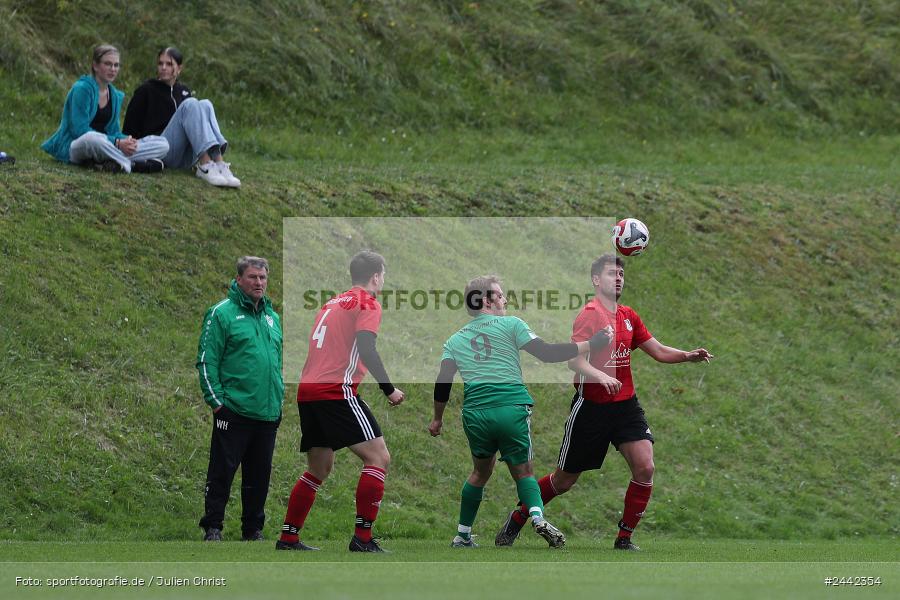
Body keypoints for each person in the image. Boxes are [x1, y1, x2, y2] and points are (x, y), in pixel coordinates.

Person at [495, 254, 713, 551]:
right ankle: (520, 515)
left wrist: (687, 355)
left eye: (621, 274)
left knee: (645, 467)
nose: (619, 278)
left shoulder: (628, 315)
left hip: (625, 407)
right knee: (563, 481)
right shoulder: (589, 314)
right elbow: (575, 361)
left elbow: (658, 350)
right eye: (612, 274)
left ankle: (624, 539)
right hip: (591, 408)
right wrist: (600, 376)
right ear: (597, 280)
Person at [428, 276, 614, 549]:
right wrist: (592, 344)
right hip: (511, 408)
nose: (505, 300)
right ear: (487, 300)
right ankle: (537, 518)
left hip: (475, 413)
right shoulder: (511, 324)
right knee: (524, 473)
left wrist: (437, 418)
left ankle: (462, 535)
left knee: (480, 472)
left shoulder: (454, 340)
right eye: (501, 295)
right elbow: (547, 353)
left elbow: (443, 381)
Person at [276, 251, 406, 553]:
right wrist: (389, 389)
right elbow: (366, 346)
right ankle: (362, 539)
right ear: (375, 277)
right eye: (383, 276)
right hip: (335, 390)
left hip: (308, 392)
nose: (383, 281)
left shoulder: (331, 303)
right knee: (378, 458)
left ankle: (289, 537)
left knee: (319, 468)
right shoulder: (367, 303)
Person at [196, 256, 284, 542]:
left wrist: (278, 399)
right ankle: (213, 527)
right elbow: (207, 361)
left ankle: (253, 529)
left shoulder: (273, 317)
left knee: (259, 477)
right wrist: (217, 403)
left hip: (267, 411)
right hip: (232, 410)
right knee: (222, 471)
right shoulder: (221, 313)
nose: (259, 283)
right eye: (253, 277)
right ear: (239, 279)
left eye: (263, 278)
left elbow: (276, 362)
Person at [123, 46, 240, 188]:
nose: (163, 67)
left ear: (179, 68)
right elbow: (129, 129)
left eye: (169, 64)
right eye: (160, 63)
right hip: (161, 151)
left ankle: (219, 163)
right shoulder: (146, 90)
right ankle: (205, 166)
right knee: (190, 104)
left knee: (205, 104)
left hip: (186, 156)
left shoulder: (183, 91)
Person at [41, 44, 168, 173]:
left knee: (162, 144)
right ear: (95, 66)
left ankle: (111, 161)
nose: (113, 69)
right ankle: (131, 165)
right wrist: (118, 143)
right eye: (108, 64)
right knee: (92, 138)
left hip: (106, 146)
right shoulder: (82, 89)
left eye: (116, 65)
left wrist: (127, 141)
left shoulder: (115, 95)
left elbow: (113, 131)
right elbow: (79, 131)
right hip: (77, 145)